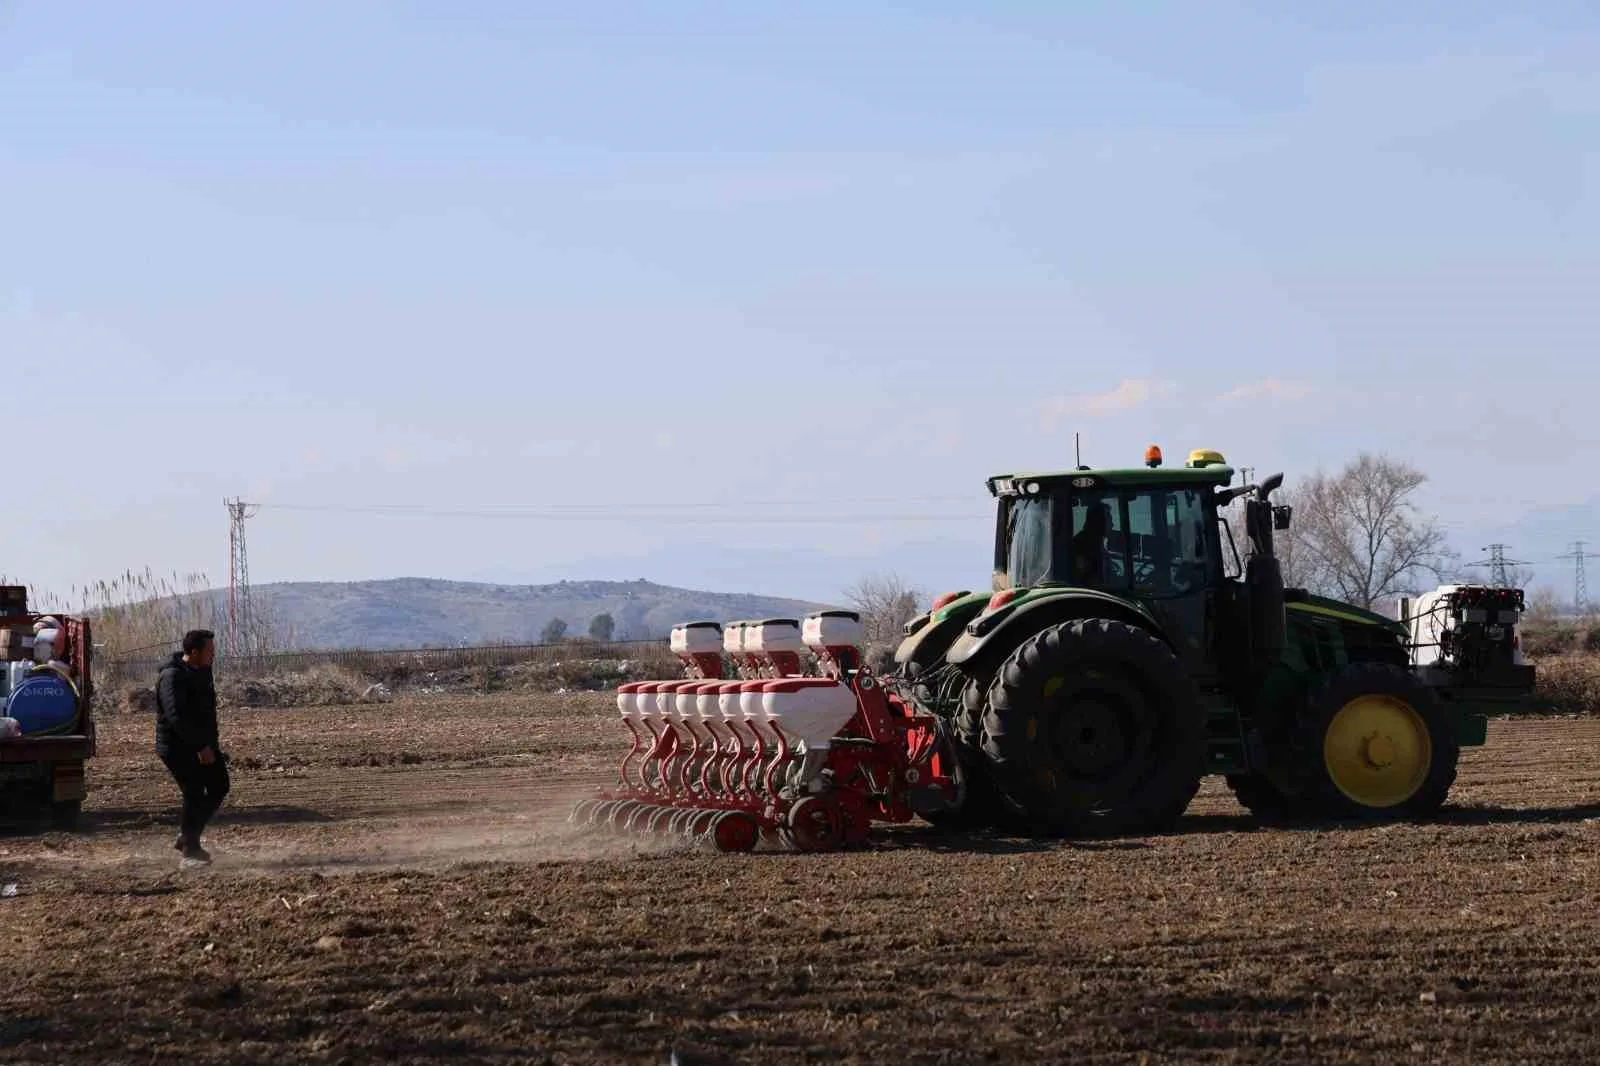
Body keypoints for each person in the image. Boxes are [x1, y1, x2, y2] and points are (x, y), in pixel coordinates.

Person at [155, 629, 229, 864]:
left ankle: (187, 835)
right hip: (176, 746)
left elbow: (206, 713)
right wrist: (200, 747)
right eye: (210, 651)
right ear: (194, 652)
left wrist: (211, 745)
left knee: (219, 785)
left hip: (203, 744)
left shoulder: (203, 671)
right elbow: (176, 718)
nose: (213, 655)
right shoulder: (172, 676)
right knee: (194, 791)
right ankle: (190, 850)